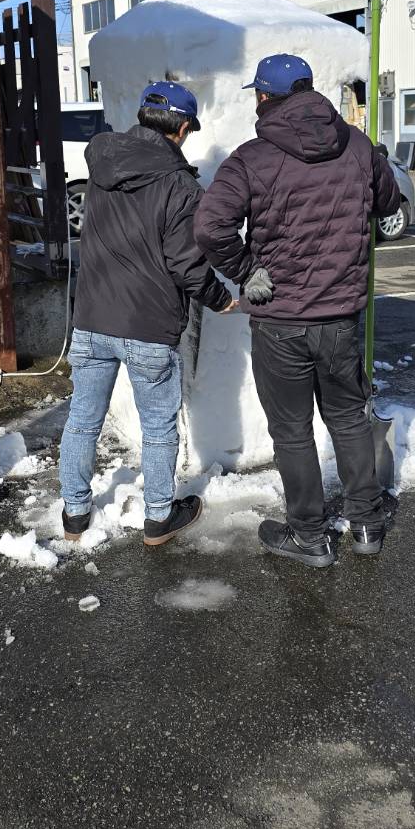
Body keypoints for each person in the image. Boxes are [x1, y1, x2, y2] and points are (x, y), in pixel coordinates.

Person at [195, 54, 401, 568]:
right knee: (348, 419)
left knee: (292, 431)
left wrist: (245, 271)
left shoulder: (251, 158)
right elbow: (388, 203)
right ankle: (366, 524)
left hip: (281, 320)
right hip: (340, 318)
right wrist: (373, 169)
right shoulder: (356, 146)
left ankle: (309, 535)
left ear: (265, 97)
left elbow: (210, 226)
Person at [59, 82, 236, 548]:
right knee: (157, 427)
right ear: (183, 127)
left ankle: (75, 513)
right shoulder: (180, 186)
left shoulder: (101, 160)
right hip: (148, 325)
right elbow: (186, 264)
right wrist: (220, 298)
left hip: (92, 318)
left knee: (82, 419)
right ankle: (158, 517)